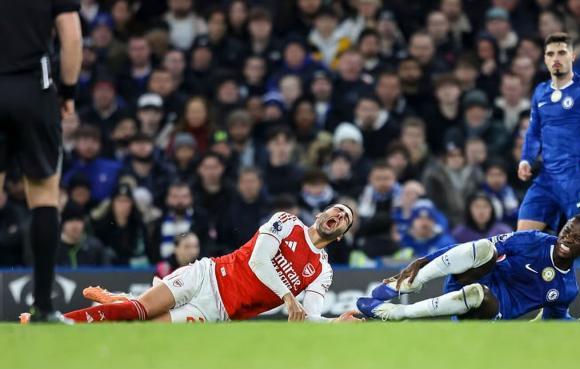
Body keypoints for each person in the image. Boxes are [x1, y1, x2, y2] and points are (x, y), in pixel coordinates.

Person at [32, 204, 361, 324]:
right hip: (207, 275)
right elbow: (260, 261)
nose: (339, 215)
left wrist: (333, 323)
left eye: (346, 218)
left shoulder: (322, 271)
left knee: (142, 328)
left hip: (216, 311)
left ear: (341, 235)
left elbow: (310, 315)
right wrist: (288, 297)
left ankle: (121, 299)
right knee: (140, 312)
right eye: (336, 209)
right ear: (321, 213)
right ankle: (51, 322)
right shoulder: (286, 222)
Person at [518, 33, 580, 318]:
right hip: (546, 178)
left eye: (561, 52)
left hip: (579, 175)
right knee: (523, 239)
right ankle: (542, 309)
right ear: (545, 59)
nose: (556, 59)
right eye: (550, 54)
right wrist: (526, 158)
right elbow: (534, 132)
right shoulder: (540, 92)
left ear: (572, 56)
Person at [358, 215, 580, 321]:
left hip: (486, 312)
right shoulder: (533, 240)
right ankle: (410, 283)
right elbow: (470, 248)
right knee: (486, 248)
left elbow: (555, 322)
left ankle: (397, 313)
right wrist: (422, 260)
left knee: (479, 294)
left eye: (577, 239)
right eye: (567, 231)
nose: (567, 239)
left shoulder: (567, 288)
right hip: (466, 279)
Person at [0, 0, 82, 321]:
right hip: (35, 89)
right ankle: (44, 306)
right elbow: (71, 36)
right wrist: (69, 91)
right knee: (45, 195)